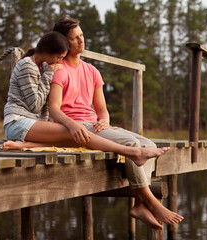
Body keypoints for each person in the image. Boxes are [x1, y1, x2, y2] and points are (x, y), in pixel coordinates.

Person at [49, 17, 183, 230]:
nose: (81, 41)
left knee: (149, 144)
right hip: (76, 129)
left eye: (82, 35)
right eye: (75, 38)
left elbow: (102, 109)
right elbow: (54, 108)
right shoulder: (59, 70)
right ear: (64, 43)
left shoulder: (92, 71)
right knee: (132, 145)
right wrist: (73, 125)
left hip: (96, 125)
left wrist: (104, 120)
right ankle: (151, 201)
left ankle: (139, 205)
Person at [3, 31, 168, 167]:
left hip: (31, 125)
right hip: (18, 122)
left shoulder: (42, 66)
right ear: (48, 52)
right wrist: (49, 75)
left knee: (78, 137)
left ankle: (25, 145)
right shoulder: (27, 66)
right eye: (59, 57)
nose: (60, 62)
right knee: (76, 132)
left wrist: (48, 72)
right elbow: (35, 106)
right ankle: (133, 152)